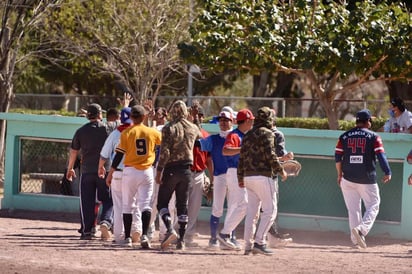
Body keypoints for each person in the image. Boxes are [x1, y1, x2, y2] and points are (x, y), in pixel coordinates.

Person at [106, 105, 162, 249]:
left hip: (129, 171)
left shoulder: (126, 133)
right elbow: (161, 145)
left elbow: (118, 155)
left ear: (131, 117)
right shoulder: (153, 132)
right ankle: (144, 235)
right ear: (144, 117)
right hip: (147, 171)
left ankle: (128, 238)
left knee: (127, 205)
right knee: (145, 205)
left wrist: (111, 172)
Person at [335, 109, 392, 249]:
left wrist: (339, 175)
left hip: (347, 178)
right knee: (374, 204)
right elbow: (381, 156)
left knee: (353, 210)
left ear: (356, 121)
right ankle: (361, 230)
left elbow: (337, 158)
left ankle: (355, 241)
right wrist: (387, 171)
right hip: (366, 178)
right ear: (368, 122)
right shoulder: (374, 136)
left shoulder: (344, 136)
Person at [238, 106, 287, 255]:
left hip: (248, 178)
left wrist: (240, 177)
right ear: (269, 119)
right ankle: (259, 242)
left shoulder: (247, 134)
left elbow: (242, 157)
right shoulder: (268, 134)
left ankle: (248, 245)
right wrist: (281, 170)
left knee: (252, 213)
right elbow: (270, 155)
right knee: (271, 210)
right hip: (263, 177)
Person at [155, 100, 203, 250]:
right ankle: (181, 240)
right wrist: (195, 119)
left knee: (162, 203)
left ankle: (170, 229)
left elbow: (165, 152)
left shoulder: (169, 128)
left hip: (171, 169)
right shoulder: (193, 128)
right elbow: (200, 138)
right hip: (187, 170)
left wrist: (159, 171)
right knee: (182, 206)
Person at [66, 103, 113, 240]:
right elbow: (122, 123)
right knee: (109, 199)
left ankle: (87, 230)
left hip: (86, 170)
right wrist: (126, 106)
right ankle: (105, 221)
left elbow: (74, 151)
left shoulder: (81, 131)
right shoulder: (108, 128)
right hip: (105, 170)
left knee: (87, 201)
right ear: (99, 114)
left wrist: (70, 169)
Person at [217, 108, 255, 250]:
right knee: (244, 204)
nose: (252, 122)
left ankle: (226, 237)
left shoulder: (247, 135)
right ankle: (225, 234)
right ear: (245, 121)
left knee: (236, 205)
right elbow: (225, 151)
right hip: (234, 172)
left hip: (244, 172)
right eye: (250, 120)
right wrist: (242, 148)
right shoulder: (234, 135)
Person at [98, 107, 136, 245]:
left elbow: (104, 154)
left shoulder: (115, 133)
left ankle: (120, 236)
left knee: (119, 205)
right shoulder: (139, 132)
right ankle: (136, 231)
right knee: (135, 204)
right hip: (135, 171)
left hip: (118, 172)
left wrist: (100, 167)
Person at [196, 110, 233, 249]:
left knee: (234, 208)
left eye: (226, 120)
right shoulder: (214, 138)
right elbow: (198, 144)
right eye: (221, 120)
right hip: (220, 176)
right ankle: (213, 239)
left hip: (235, 176)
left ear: (232, 121)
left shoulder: (237, 136)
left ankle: (230, 237)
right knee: (217, 208)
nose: (223, 122)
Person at [184, 104, 211, 247]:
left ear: (203, 117)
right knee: (181, 206)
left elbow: (209, 159)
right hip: (185, 173)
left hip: (199, 173)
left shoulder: (206, 136)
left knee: (194, 208)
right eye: (194, 114)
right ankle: (175, 233)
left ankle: (187, 237)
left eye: (199, 115)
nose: (196, 117)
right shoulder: (185, 131)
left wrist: (211, 180)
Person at [267, 109, 294, 246]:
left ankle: (267, 236)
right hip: (269, 176)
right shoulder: (277, 134)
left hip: (251, 174)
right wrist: (286, 159)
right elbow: (280, 159)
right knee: (271, 207)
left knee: (256, 209)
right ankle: (272, 237)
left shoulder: (254, 133)